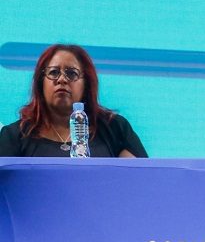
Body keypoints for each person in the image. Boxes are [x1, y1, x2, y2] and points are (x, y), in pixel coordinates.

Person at [0, 44, 148, 157]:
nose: (62, 79)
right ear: (41, 82)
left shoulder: (115, 128)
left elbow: (140, 181)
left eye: (71, 73)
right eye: (54, 72)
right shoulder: (15, 135)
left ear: (86, 83)